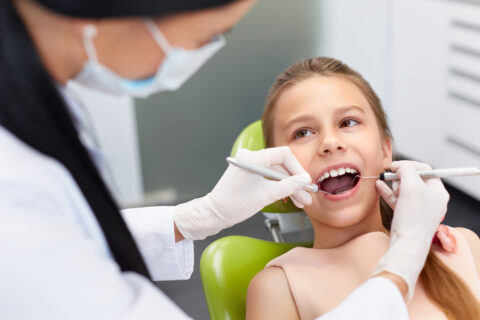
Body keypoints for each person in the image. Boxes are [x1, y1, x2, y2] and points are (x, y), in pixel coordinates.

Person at [246, 57, 480, 319]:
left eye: (348, 122)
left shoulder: (461, 247)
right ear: (279, 177)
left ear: (385, 151)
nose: (330, 142)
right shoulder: (278, 288)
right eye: (303, 133)